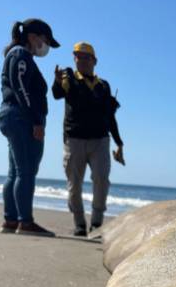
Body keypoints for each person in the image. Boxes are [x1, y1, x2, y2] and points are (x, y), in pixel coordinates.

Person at [52, 42, 125, 236]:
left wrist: (119, 142)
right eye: (78, 56)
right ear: (74, 58)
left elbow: (110, 117)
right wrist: (57, 82)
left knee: (101, 180)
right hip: (74, 140)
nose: (82, 60)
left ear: (95, 61)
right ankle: (79, 223)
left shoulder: (103, 85)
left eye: (86, 57)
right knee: (74, 185)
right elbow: (57, 94)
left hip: (100, 141)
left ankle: (97, 223)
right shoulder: (68, 76)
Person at [0, 19, 60, 237]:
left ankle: (11, 220)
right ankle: (25, 222)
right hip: (21, 118)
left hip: (13, 116)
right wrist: (36, 121)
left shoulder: (17, 55)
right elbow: (20, 87)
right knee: (26, 171)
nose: (47, 47)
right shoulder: (20, 55)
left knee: (15, 171)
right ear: (33, 37)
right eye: (46, 41)